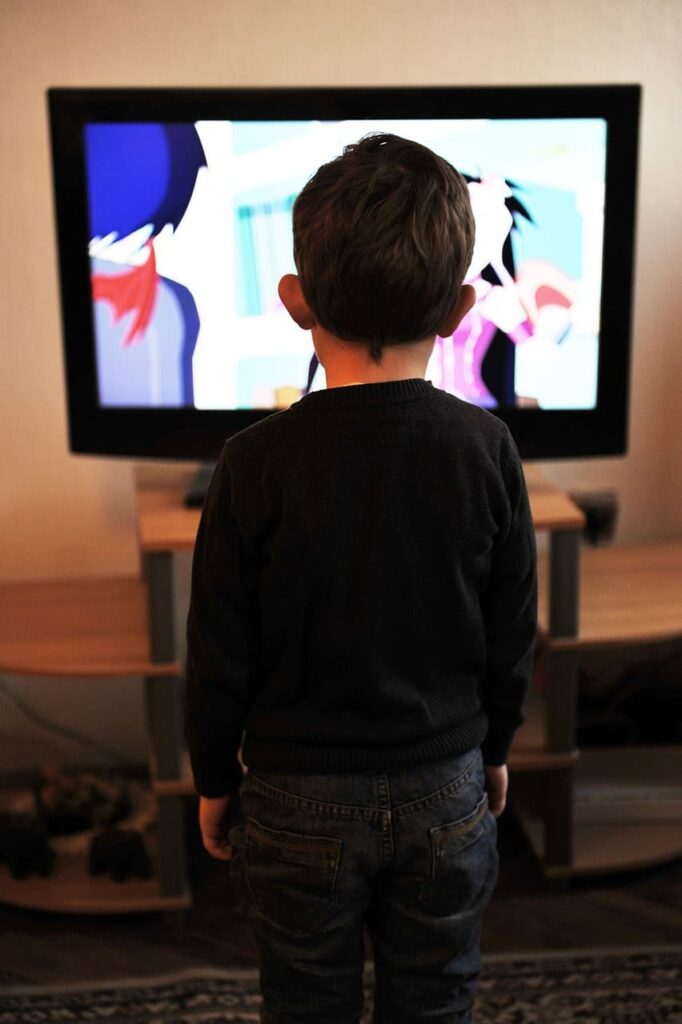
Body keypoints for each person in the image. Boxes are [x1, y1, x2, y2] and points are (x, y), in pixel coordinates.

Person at [184, 132, 538, 1024]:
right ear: (461, 308)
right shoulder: (488, 449)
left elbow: (217, 649)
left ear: (295, 301)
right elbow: (511, 626)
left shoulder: (252, 463)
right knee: (437, 993)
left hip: (295, 795)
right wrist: (494, 749)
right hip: (446, 782)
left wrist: (212, 779)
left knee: (306, 1000)